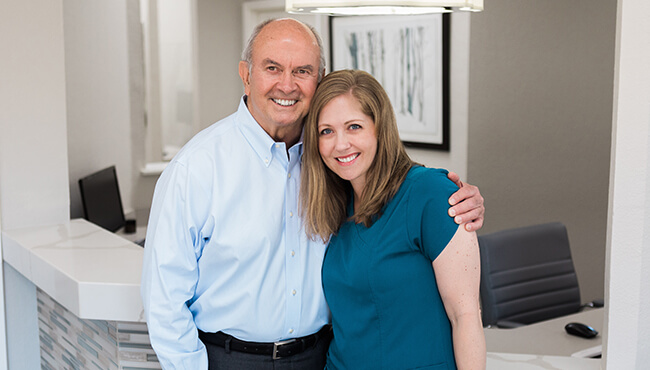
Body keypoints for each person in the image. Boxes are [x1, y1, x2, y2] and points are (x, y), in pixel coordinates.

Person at [141, 18, 485, 370]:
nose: (286, 85)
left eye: (302, 70)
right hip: (230, 359)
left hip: (318, 358)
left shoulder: (331, 166)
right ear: (246, 74)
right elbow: (163, 300)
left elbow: (398, 193)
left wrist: (456, 199)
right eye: (272, 67)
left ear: (319, 78)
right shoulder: (196, 168)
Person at [300, 69, 486, 369]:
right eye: (326, 131)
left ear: (379, 128)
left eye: (354, 126)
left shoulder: (431, 195)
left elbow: (465, 316)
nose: (340, 144)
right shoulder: (335, 206)